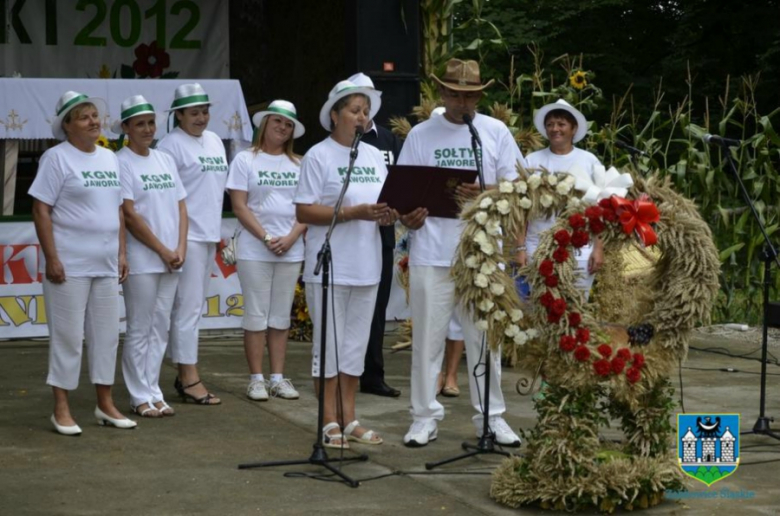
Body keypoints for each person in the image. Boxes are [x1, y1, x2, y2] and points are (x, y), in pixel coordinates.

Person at [398, 59, 524, 447]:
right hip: (432, 250)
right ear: (442, 93)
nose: (461, 102)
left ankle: (492, 417)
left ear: (480, 97)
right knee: (428, 340)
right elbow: (403, 189)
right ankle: (424, 416)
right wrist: (410, 215)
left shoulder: (494, 131)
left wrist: (485, 192)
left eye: (469, 96)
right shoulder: (421, 133)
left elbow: (518, 188)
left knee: (485, 339)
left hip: (482, 253)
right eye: (454, 94)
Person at [294, 79, 395, 448]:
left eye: (365, 111)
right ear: (335, 115)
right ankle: (328, 420)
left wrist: (385, 215)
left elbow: (382, 202)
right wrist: (352, 212)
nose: (361, 117)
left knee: (354, 348)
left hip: (367, 264)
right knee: (330, 346)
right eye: (354, 110)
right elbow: (304, 209)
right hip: (332, 267)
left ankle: (350, 417)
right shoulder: (318, 156)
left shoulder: (371, 155)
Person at [29, 91, 135, 435]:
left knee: (106, 336)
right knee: (69, 337)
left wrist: (121, 253)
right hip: (69, 265)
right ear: (67, 126)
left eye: (94, 115)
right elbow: (40, 209)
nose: (94, 121)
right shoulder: (56, 159)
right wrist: (52, 257)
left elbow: (117, 210)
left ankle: (105, 405)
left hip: (105, 264)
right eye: (84, 117)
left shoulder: (110, 157)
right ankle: (61, 408)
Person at [227, 100, 306, 402]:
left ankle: (278, 377)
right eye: (277, 122)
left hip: (291, 248)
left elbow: (306, 208)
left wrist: (291, 237)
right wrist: (267, 237)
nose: (282, 129)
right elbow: (239, 206)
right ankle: (256, 379)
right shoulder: (245, 160)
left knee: (280, 316)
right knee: (256, 315)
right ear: (264, 124)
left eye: (288, 125)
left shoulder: (300, 163)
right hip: (254, 249)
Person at [114, 95, 188, 418]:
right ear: (127, 128)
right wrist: (161, 249)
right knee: (140, 327)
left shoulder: (165, 160)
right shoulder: (121, 161)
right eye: (140, 124)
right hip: (145, 259)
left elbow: (181, 206)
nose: (147, 129)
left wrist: (180, 248)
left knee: (160, 326)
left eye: (150, 123)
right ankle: (137, 395)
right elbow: (128, 214)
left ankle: (154, 390)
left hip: (172, 258)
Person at [157, 83, 228, 405]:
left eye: (205, 111)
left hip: (209, 234)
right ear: (179, 115)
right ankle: (188, 377)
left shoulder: (214, 141)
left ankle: (182, 370)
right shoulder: (170, 146)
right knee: (186, 309)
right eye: (194, 113)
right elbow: (167, 198)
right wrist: (176, 242)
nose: (201, 118)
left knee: (193, 308)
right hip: (186, 238)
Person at [347, 73, 403, 399]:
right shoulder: (337, 142)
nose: (362, 112)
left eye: (367, 104)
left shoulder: (389, 140)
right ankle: (343, 373)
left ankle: (373, 374)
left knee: (377, 308)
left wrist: (398, 208)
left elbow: (402, 180)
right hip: (346, 236)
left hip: (381, 235)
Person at [516, 99, 604, 295]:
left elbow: (599, 208)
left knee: (576, 311)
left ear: (573, 129)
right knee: (542, 307)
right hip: (537, 246)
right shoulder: (532, 160)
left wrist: (598, 248)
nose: (555, 129)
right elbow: (520, 208)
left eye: (561, 124)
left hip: (580, 247)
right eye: (550, 124)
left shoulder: (589, 161)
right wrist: (520, 248)